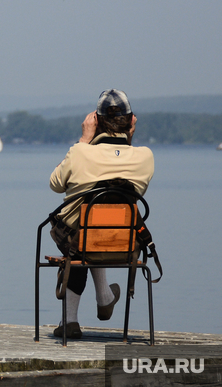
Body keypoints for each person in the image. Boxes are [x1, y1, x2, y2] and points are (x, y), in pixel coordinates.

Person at [49, 89, 154, 339]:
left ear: (94, 121)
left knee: (81, 233)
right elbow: (120, 163)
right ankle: (104, 297)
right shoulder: (145, 157)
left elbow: (55, 184)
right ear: (131, 121)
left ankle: (71, 319)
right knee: (96, 230)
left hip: (78, 243)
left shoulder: (80, 152)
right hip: (125, 243)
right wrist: (127, 137)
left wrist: (84, 141)